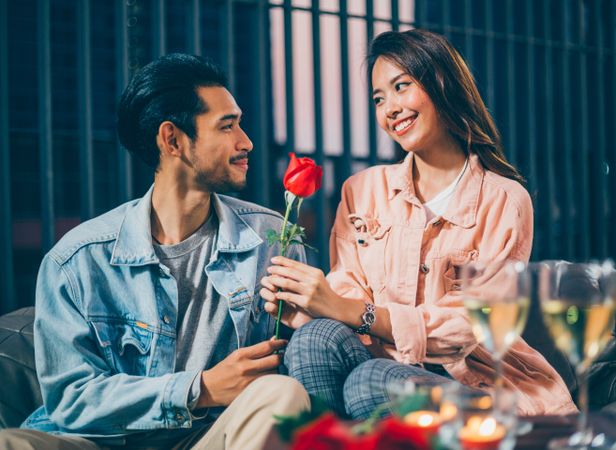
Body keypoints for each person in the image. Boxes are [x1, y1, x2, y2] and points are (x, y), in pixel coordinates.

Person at [261, 29, 576, 418]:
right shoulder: (361, 190)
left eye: (401, 87)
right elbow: (346, 289)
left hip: (476, 383)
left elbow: (468, 325)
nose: (390, 108)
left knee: (369, 382)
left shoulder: (505, 200)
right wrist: (305, 308)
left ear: (441, 81)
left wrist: (355, 312)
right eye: (379, 99)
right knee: (313, 339)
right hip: (376, 361)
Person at [0, 54, 309, 450]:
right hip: (102, 443)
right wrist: (199, 389)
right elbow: (71, 402)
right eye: (227, 126)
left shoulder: (271, 240)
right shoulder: (76, 262)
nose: (245, 141)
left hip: (211, 438)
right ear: (173, 139)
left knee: (280, 396)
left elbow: (298, 359)